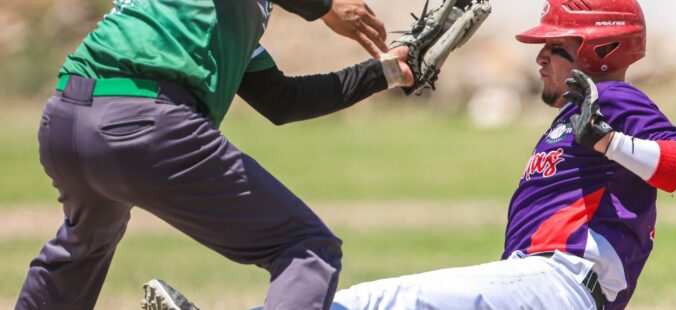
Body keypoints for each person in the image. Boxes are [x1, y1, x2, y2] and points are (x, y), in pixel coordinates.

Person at [143, 0, 676, 309]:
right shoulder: (577, 117)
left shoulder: (613, 100)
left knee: (375, 303)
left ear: (600, 48)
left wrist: (611, 141)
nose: (540, 57)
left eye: (555, 46)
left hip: (558, 285)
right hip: (542, 287)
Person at [15, 0, 416, 309]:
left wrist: (384, 73)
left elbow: (283, 101)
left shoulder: (224, 17)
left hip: (66, 120)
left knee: (83, 247)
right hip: (141, 123)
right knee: (306, 247)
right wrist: (327, 7)